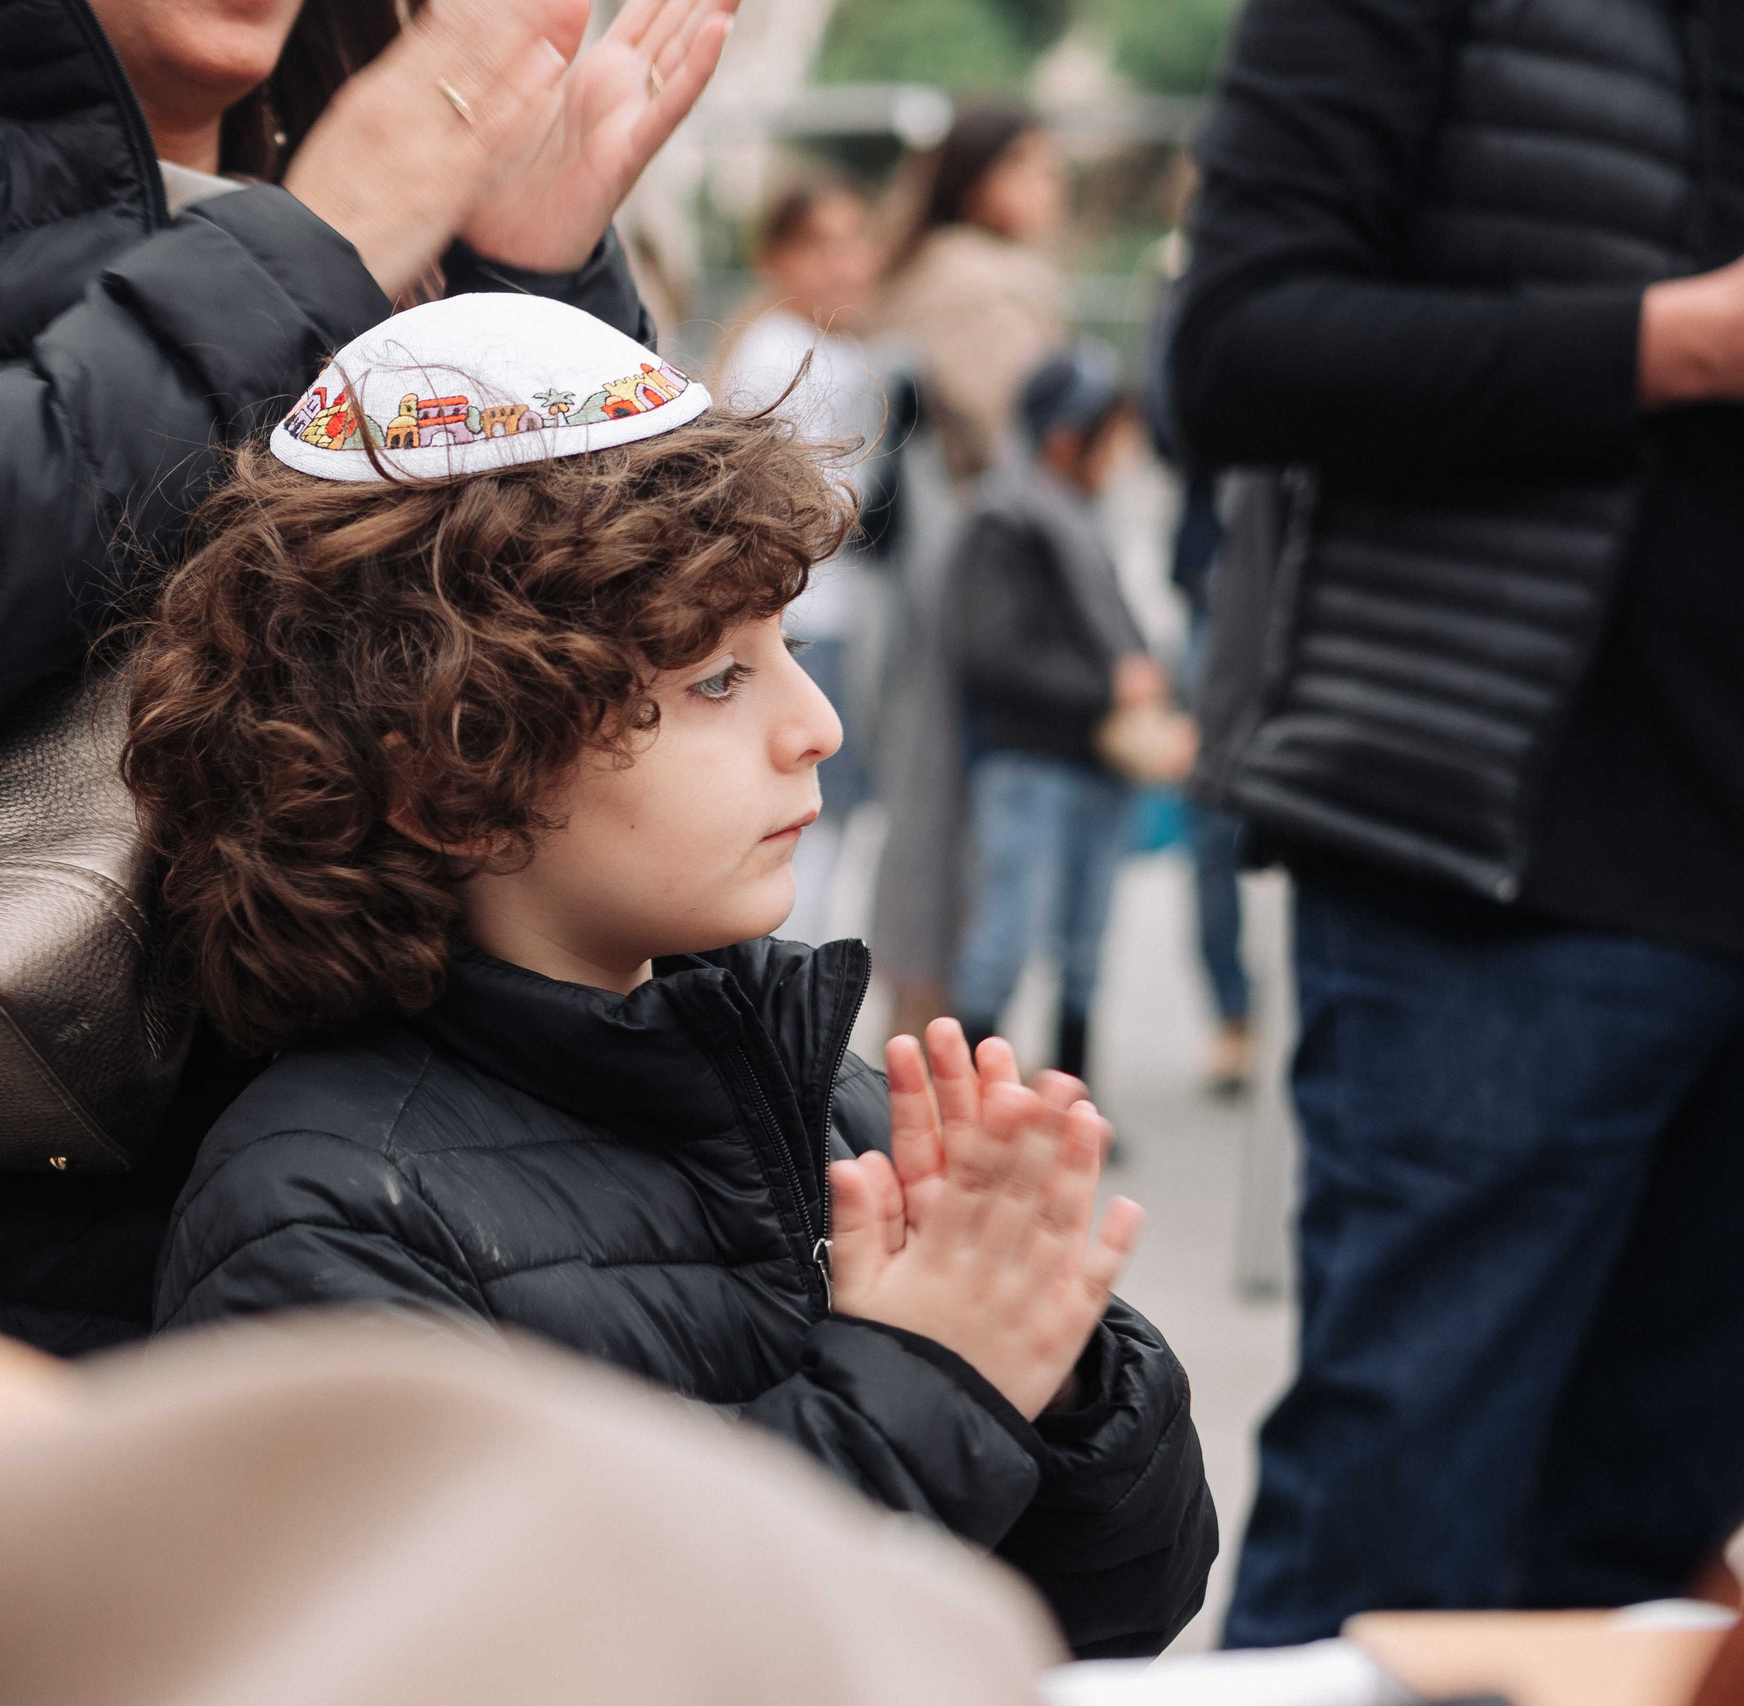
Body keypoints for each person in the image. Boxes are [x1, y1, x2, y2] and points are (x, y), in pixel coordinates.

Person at [0, 0, 735, 1349]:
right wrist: (313, 248)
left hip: (394, 1251)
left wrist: (529, 287)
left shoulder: (402, 167)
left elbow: (595, 704)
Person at [1170, 0, 1744, 1646]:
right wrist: (1697, 339)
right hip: (1502, 862)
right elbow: (1238, 351)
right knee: (1393, 1542)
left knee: (1650, 1561)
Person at [132, 294, 1220, 1660]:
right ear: (448, 780)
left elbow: (1128, 1600)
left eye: (791, 653)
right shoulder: (318, 1221)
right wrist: (929, 1384)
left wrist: (1049, 1367)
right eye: (718, 681)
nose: (814, 726)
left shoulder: (787, 1066)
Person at [947, 346, 1160, 1088]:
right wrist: (1109, 687)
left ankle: (1071, 1099)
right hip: (1029, 763)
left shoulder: (1084, 521)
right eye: (1111, 436)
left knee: (1085, 948)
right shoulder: (1002, 520)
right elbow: (995, 656)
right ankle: (971, 1108)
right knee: (1004, 941)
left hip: (1096, 764)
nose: (1123, 454)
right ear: (1067, 439)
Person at [718, 177, 889, 949]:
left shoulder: (835, 347)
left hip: (837, 609)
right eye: (823, 245)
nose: (846, 264)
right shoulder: (778, 352)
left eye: (855, 242)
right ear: (777, 257)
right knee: (807, 804)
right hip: (803, 613)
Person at [878, 104, 1069, 485]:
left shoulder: (943, 260)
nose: (1046, 183)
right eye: (1021, 165)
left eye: (1050, 169)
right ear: (973, 175)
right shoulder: (967, 277)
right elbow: (1011, 423)